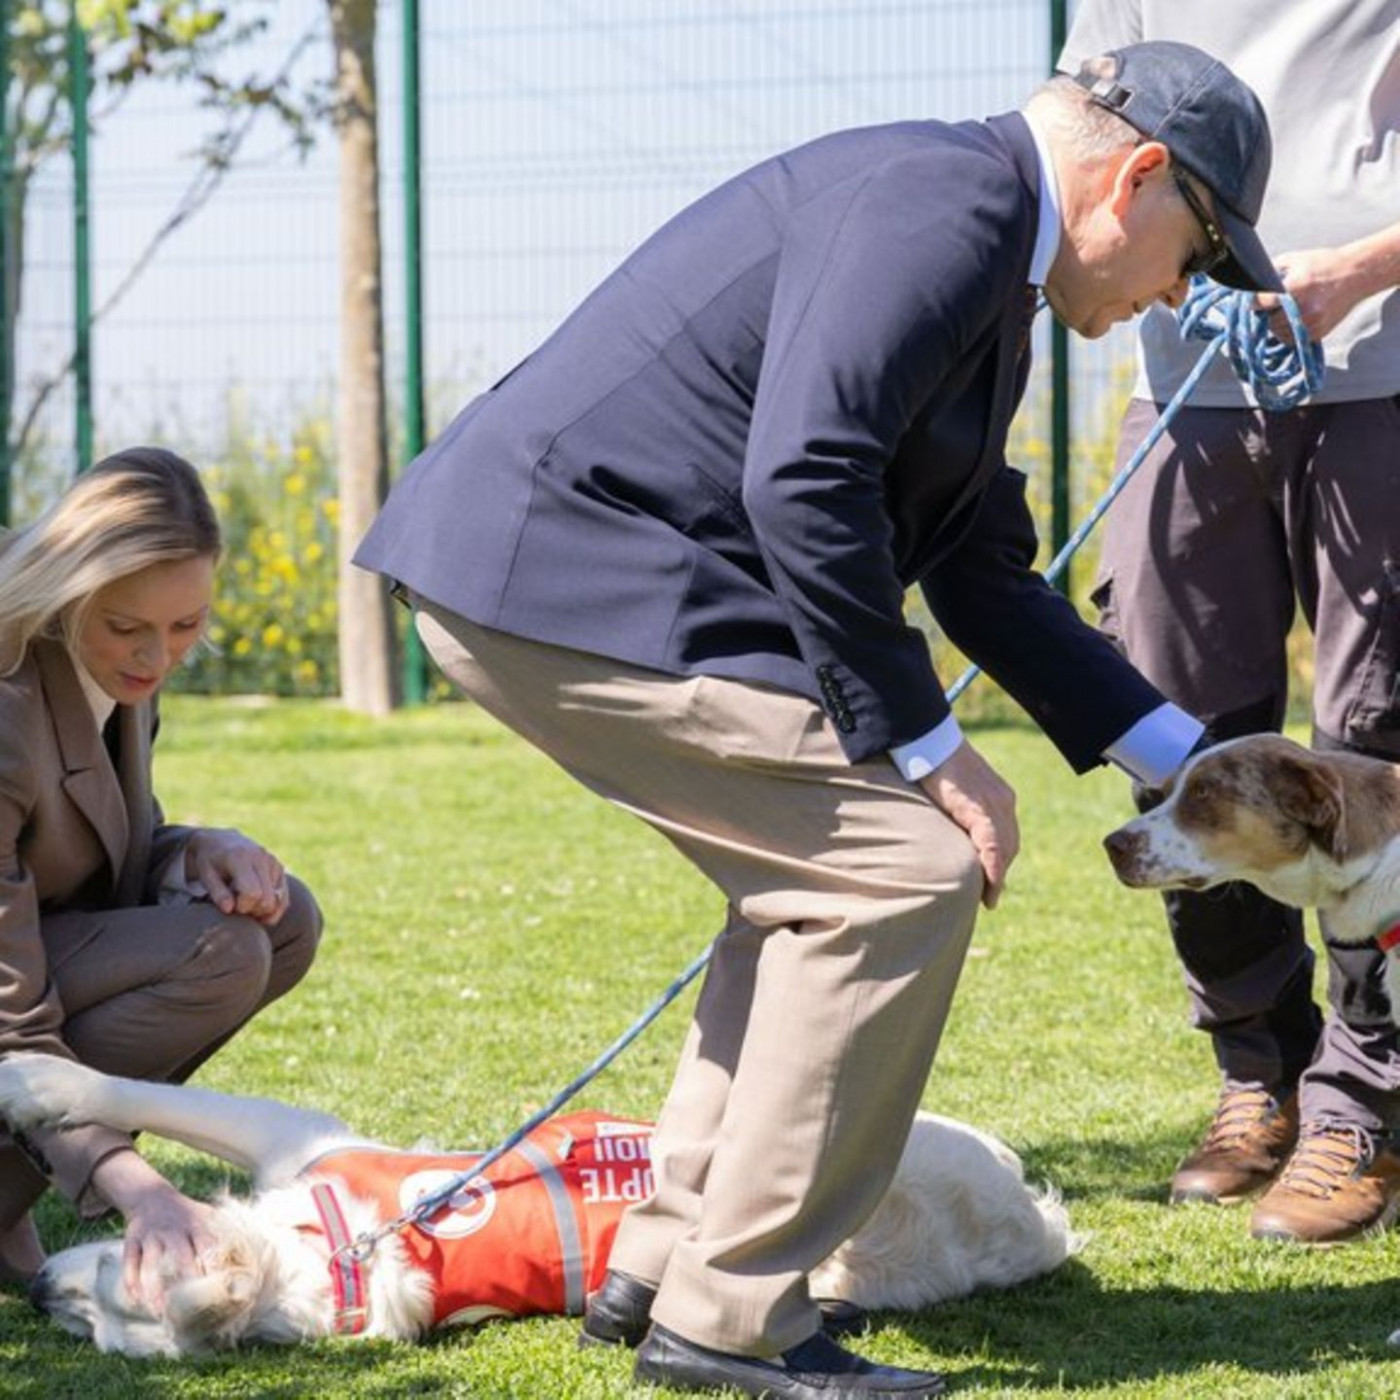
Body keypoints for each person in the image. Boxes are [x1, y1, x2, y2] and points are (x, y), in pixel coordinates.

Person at [358, 43, 1275, 1399]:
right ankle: (735, 1321)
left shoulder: (982, 248)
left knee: (817, 885)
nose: (1182, 292)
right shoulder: (948, 208)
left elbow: (976, 570)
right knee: (896, 874)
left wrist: (1191, 760)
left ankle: (667, 1265)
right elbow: (810, 470)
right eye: (1196, 251)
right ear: (1133, 176)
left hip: (574, 577)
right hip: (568, 578)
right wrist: (930, 746)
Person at [1060, 3, 1400, 1246]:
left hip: (1385, 362)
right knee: (1172, 733)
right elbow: (1088, 136)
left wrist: (1359, 270)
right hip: (1184, 378)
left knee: (1371, 737)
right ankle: (1257, 1070)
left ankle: (1359, 1101)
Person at [0, 447, 322, 1305]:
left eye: (187, 626)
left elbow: (82, 850)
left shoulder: (114, 660)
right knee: (220, 949)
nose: (158, 656)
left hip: (28, 953)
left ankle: (9, 1197)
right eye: (129, 628)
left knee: (281, 920)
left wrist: (190, 850)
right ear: (70, 588)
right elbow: (8, 1019)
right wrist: (138, 1186)